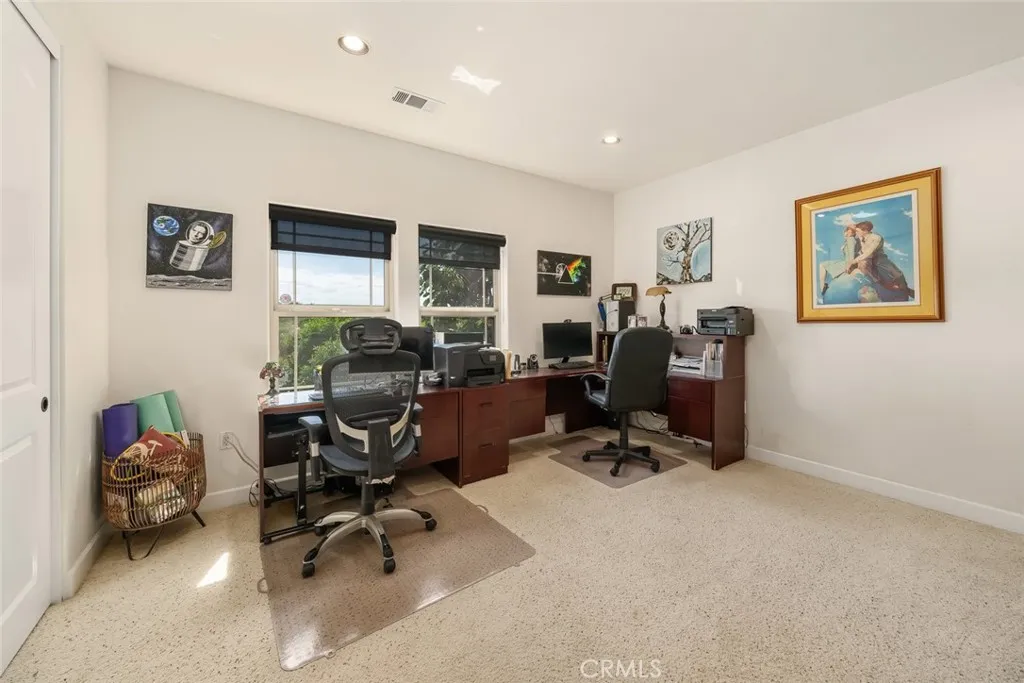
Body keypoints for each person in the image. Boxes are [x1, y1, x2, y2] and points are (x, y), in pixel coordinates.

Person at [846, 221, 914, 298]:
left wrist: (853, 262)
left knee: (897, 275)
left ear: (865, 231)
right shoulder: (862, 237)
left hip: (879, 259)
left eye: (858, 231)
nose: (857, 233)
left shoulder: (876, 238)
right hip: (868, 260)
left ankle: (907, 291)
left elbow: (868, 253)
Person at [818, 225, 860, 296]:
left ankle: (822, 288)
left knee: (822, 265)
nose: (847, 234)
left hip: (848, 263)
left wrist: (849, 266)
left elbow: (852, 254)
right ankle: (823, 287)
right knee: (823, 265)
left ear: (853, 234)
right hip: (848, 263)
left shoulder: (850, 240)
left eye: (850, 233)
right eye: (847, 232)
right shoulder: (851, 240)